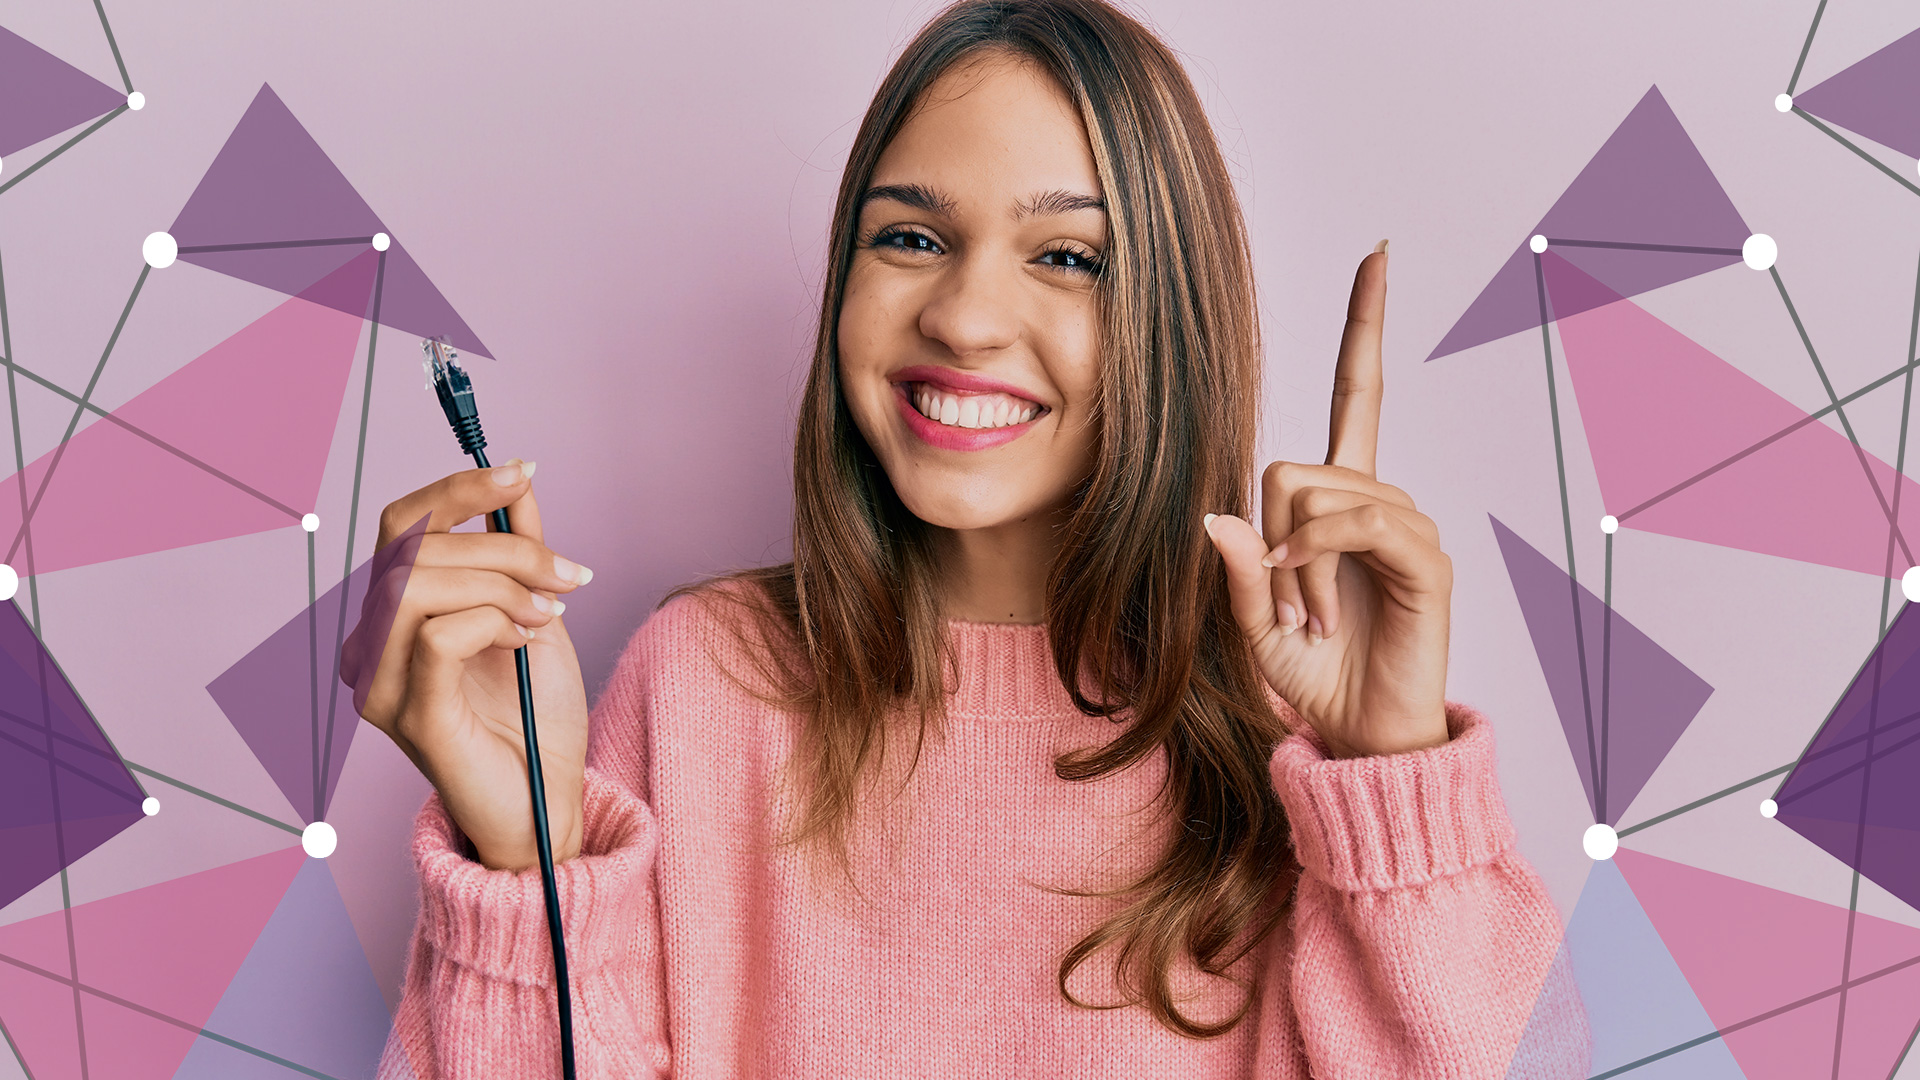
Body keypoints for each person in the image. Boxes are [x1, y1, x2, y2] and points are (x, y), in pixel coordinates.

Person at [343, 0, 1592, 1075]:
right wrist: (531, 864)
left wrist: (1394, 789)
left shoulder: (1296, 734)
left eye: (1066, 256)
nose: (968, 313)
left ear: (1171, 319)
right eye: (912, 236)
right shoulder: (698, 682)